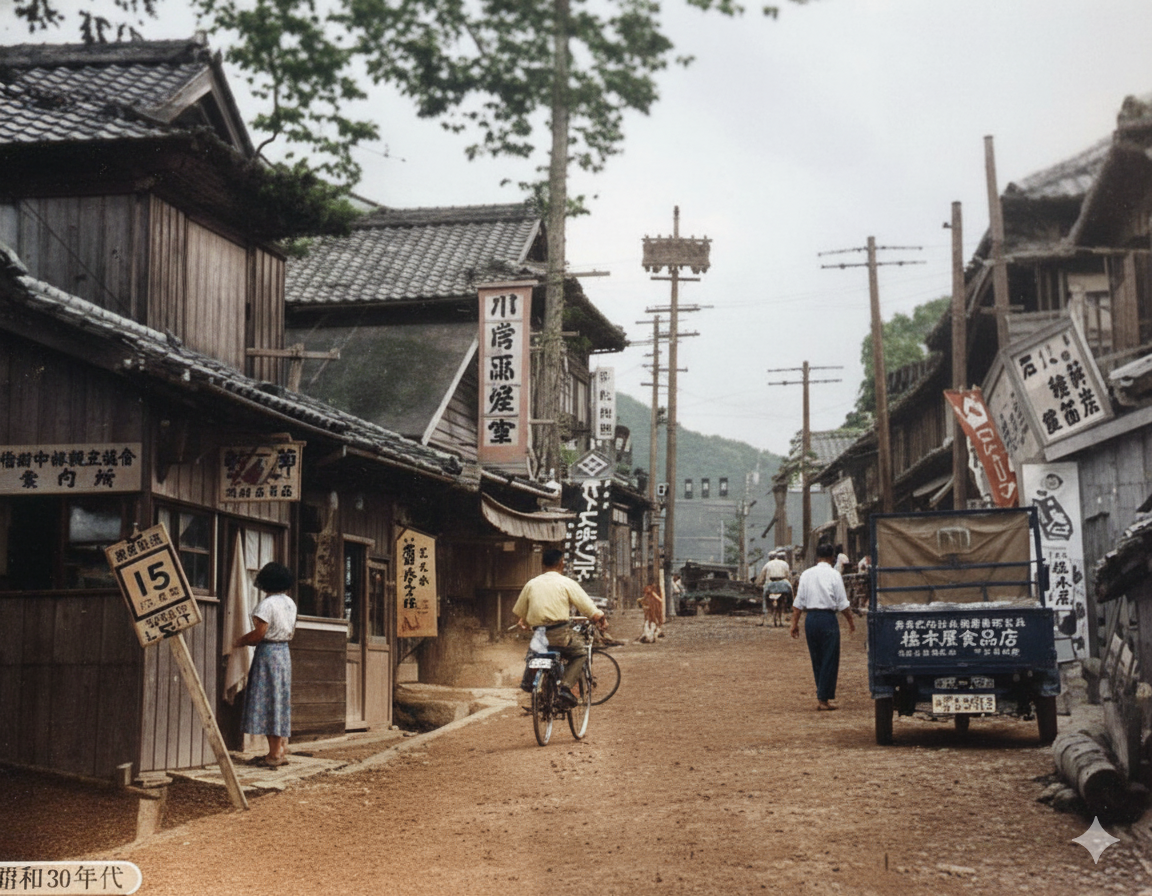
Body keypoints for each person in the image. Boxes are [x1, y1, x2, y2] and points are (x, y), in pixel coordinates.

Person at [513, 548, 606, 706]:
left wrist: (525, 621)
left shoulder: (531, 584)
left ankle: (529, 681)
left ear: (542, 565)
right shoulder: (567, 583)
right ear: (561, 564)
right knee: (580, 653)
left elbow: (520, 612)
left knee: (534, 652)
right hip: (560, 635)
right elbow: (589, 609)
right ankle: (565, 687)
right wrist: (600, 618)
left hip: (539, 635)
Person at [235, 561, 297, 767]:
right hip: (284, 653)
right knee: (279, 699)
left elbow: (258, 635)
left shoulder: (266, 605)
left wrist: (238, 641)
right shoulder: (290, 603)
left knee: (269, 700)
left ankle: (273, 754)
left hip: (269, 653)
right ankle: (279, 749)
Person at [790, 542, 855, 711]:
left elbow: (798, 603)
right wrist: (850, 621)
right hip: (828, 619)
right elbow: (842, 603)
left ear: (817, 557)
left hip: (811, 619)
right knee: (829, 658)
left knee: (817, 658)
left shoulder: (806, 574)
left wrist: (794, 624)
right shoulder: (834, 575)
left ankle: (822, 694)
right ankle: (823, 698)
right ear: (832, 557)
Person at [760, 550, 793, 628]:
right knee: (791, 592)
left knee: (764, 596)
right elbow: (788, 575)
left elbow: (762, 576)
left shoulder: (767, 564)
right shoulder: (785, 564)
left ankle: (764, 610)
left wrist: (760, 583)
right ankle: (791, 606)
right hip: (782, 584)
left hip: (771, 584)